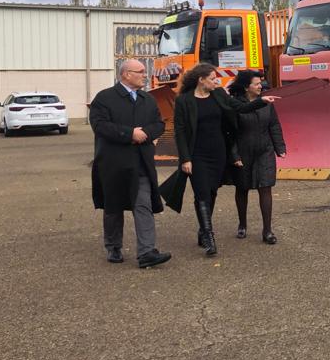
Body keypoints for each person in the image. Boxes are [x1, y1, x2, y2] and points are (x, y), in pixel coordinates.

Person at [160, 63, 275, 256]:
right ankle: (209, 237)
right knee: (202, 193)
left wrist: (262, 101)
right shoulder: (184, 101)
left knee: (211, 192)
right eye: (213, 79)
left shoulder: (219, 94)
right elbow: (179, 132)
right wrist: (185, 159)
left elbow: (240, 107)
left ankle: (202, 229)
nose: (217, 81)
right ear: (201, 80)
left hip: (218, 153)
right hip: (197, 154)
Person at [89, 59, 171, 269]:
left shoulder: (147, 99)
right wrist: (129, 134)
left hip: (141, 163)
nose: (145, 75)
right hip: (113, 163)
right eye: (141, 72)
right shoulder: (105, 98)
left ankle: (146, 252)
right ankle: (113, 246)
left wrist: (145, 134)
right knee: (113, 206)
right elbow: (100, 126)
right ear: (126, 74)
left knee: (143, 205)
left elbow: (159, 124)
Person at [227, 70, 287, 244]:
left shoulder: (267, 103)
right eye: (256, 84)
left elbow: (274, 126)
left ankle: (267, 230)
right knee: (242, 188)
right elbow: (230, 133)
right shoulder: (235, 105)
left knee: (265, 187)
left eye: (261, 83)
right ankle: (242, 224)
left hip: (264, 151)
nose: (261, 86)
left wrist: (279, 147)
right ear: (247, 87)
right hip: (243, 152)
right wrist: (234, 155)